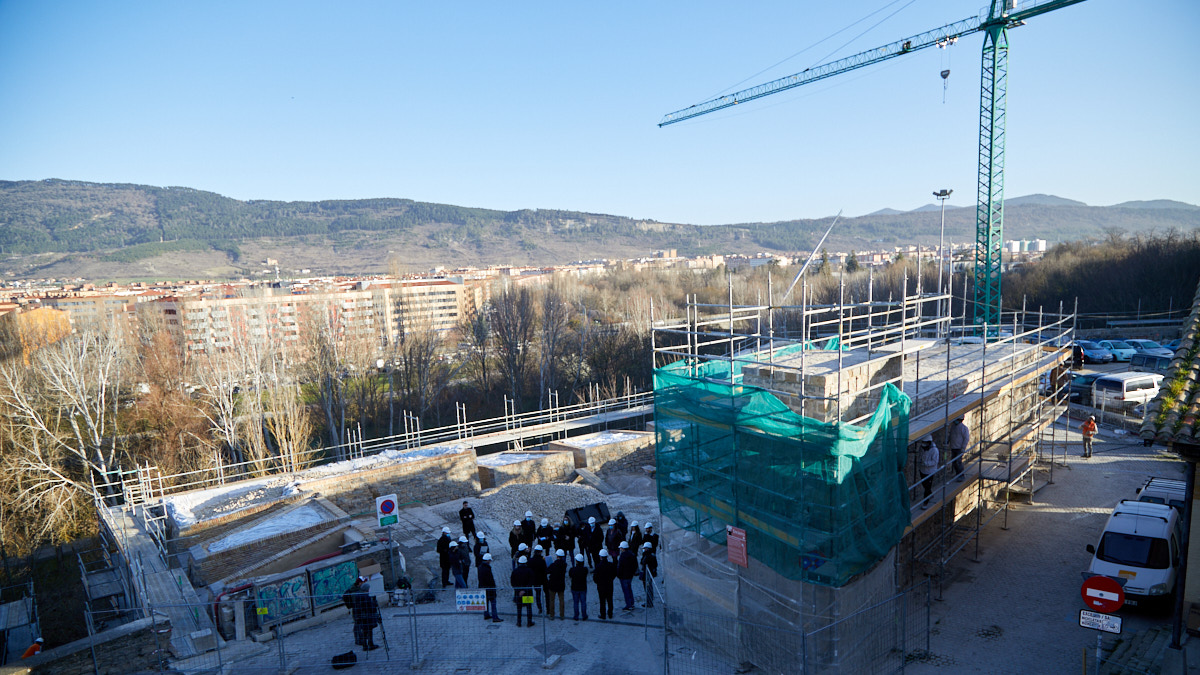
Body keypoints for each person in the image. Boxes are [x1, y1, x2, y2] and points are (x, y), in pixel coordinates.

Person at [351, 581, 382, 651]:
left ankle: (365, 645)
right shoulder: (365, 597)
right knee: (369, 630)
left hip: (361, 617)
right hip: (367, 617)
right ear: (367, 589)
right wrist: (374, 603)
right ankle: (370, 644)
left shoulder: (357, 596)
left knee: (364, 631)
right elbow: (370, 608)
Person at [510, 555, 535, 627]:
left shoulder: (515, 571)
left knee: (519, 608)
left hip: (518, 593)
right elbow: (531, 581)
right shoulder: (529, 571)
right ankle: (529, 622)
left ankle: (519, 622)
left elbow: (512, 582)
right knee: (529, 607)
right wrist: (524, 590)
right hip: (528, 593)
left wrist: (519, 590)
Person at [478, 553, 503, 622]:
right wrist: (493, 588)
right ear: (487, 560)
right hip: (489, 589)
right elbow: (490, 580)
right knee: (493, 603)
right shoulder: (487, 569)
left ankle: (486, 614)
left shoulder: (480, 567)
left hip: (482, 588)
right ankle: (495, 617)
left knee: (485, 602)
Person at [918, 437, 941, 508]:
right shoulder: (922, 448)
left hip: (930, 471)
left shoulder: (934, 450)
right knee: (924, 484)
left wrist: (926, 463)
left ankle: (925, 503)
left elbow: (935, 461)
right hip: (922, 470)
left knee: (927, 486)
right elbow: (920, 456)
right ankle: (930, 494)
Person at [593, 550, 616, 620]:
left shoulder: (598, 566)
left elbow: (595, 578)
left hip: (601, 586)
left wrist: (598, 582)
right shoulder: (610, 565)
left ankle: (603, 614)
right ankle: (610, 613)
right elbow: (614, 574)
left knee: (602, 601)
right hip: (609, 585)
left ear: (600, 557)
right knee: (610, 599)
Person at [616, 541, 638, 611]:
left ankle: (628, 605)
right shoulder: (632, 554)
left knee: (626, 591)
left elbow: (620, 567)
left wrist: (618, 574)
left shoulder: (622, 556)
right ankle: (632, 603)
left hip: (623, 576)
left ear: (623, 548)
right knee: (629, 589)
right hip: (630, 576)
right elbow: (635, 565)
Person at [546, 548, 567, 620]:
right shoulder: (564, 565)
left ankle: (552, 615)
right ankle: (562, 615)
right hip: (561, 584)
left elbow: (547, 571)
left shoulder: (553, 565)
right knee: (561, 600)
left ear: (557, 556)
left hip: (553, 584)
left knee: (552, 600)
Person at [569, 553, 590, 621]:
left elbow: (570, 575)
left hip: (575, 588)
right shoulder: (585, 570)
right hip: (583, 588)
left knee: (576, 602)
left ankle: (576, 615)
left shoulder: (572, 570)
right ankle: (584, 615)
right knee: (583, 602)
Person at [948, 417, 969, 481]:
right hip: (953, 447)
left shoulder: (963, 428)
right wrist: (947, 441)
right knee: (954, 462)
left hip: (959, 448)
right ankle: (957, 474)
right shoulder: (953, 427)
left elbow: (966, 438)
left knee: (958, 462)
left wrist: (963, 447)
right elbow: (950, 435)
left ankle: (961, 475)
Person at [529, 544, 547, 614]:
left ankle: (539, 607)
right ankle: (548, 608)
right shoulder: (542, 560)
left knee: (538, 595)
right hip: (542, 580)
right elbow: (545, 569)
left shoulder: (530, 560)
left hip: (535, 580)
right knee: (546, 594)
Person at [640, 542, 658, 608]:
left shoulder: (648, 556)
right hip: (649, 574)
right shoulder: (652, 555)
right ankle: (649, 601)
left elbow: (643, 562)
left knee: (648, 588)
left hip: (647, 574)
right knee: (649, 588)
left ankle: (649, 602)